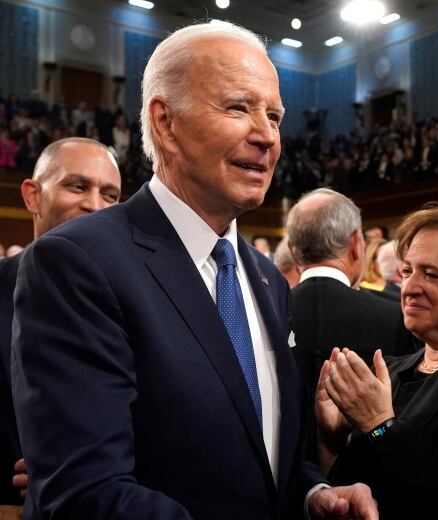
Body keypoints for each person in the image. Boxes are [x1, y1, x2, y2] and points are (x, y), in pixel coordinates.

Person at [11, 22, 376, 519]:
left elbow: (261, 451)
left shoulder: (268, 280)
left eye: (274, 115)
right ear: (166, 123)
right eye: (238, 107)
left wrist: (313, 496)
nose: (267, 135)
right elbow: (84, 492)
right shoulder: (76, 262)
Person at [316, 207, 438, 520]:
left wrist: (380, 426)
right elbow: (345, 487)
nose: (409, 289)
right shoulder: (390, 371)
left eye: (432, 275)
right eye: (407, 271)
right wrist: (332, 439)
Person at [0, 137, 121, 520]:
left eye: (111, 195)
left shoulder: (137, 305)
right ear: (33, 196)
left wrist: (65, 470)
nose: (95, 205)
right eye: (77, 186)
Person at [286, 188, 417, 463]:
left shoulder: (263, 314)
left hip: (280, 488)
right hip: (377, 481)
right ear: (356, 242)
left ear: (293, 250)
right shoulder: (399, 317)